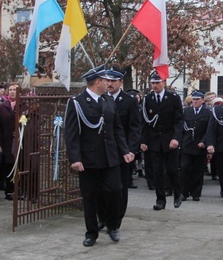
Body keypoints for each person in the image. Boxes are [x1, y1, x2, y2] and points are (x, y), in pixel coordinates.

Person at [64, 66, 133, 246]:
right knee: (90, 196)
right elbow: (71, 133)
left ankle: (112, 225)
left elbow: (117, 128)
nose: (108, 83)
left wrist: (124, 151)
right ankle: (91, 232)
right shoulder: (77, 102)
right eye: (105, 81)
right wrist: (75, 158)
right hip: (89, 159)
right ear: (97, 82)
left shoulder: (108, 101)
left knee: (115, 190)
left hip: (110, 157)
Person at [104, 68, 142, 231]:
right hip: (104, 151)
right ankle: (103, 217)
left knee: (120, 187)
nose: (110, 83)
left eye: (114, 81)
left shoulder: (129, 101)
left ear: (120, 82)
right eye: (108, 80)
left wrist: (131, 150)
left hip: (122, 152)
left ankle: (117, 219)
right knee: (103, 187)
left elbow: (135, 128)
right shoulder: (101, 98)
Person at [140, 71, 184, 210]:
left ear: (164, 83)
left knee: (172, 170)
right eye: (152, 83)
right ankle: (160, 200)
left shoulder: (173, 98)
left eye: (157, 82)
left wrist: (176, 138)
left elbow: (179, 120)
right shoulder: (148, 99)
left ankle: (178, 194)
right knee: (157, 171)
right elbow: (145, 122)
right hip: (154, 140)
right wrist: (143, 140)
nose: (155, 85)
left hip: (170, 139)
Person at [180, 90, 211, 202]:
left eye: (197, 99)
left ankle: (196, 193)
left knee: (198, 171)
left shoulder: (207, 113)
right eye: (193, 99)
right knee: (184, 169)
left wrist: (204, 141)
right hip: (187, 145)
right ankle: (184, 192)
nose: (195, 101)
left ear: (202, 100)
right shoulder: (186, 111)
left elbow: (209, 130)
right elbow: (181, 127)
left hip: (200, 146)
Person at [0, 82, 21, 200]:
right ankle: (9, 191)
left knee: (20, 165)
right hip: (8, 141)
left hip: (21, 141)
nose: (12, 92)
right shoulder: (3, 106)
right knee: (8, 165)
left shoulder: (25, 104)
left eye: (15, 90)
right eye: (10, 90)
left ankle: (20, 190)